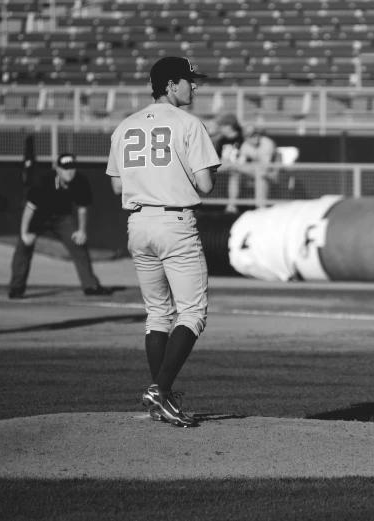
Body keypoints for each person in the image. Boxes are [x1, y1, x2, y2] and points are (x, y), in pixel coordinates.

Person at [106, 56, 220, 428]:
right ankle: (161, 389)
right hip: (174, 222)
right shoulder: (188, 123)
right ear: (171, 85)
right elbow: (204, 184)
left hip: (138, 224)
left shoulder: (125, 125)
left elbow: (116, 185)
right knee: (192, 312)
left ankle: (164, 399)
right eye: (189, 81)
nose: (195, 86)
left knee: (157, 314)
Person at [8, 153, 111, 299]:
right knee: (23, 247)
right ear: (57, 169)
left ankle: (91, 286)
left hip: (62, 218)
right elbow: (29, 208)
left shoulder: (80, 181)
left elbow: (82, 209)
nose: (69, 172)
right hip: (38, 218)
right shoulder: (44, 182)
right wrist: (25, 233)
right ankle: (16, 288)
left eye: (72, 168)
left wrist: (81, 231)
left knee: (79, 244)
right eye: (65, 168)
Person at [221, 126, 278, 211]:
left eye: (256, 134)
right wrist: (235, 167)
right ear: (246, 137)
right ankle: (231, 206)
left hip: (273, 174)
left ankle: (261, 207)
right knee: (235, 173)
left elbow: (265, 167)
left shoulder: (267, 143)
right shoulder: (245, 145)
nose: (255, 137)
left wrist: (242, 167)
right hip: (255, 171)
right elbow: (241, 163)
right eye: (251, 136)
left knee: (260, 174)